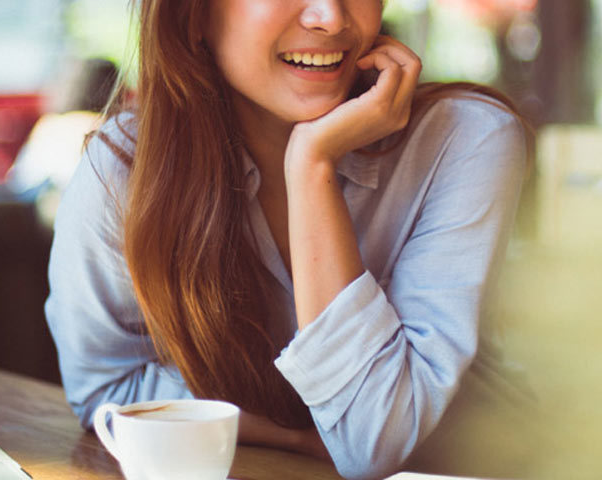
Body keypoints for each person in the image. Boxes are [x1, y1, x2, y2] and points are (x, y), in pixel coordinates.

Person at [45, 1, 533, 479]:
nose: (332, 16)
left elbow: (371, 442)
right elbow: (107, 388)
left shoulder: (466, 139)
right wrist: (298, 436)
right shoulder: (126, 171)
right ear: (194, 15)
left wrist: (311, 165)